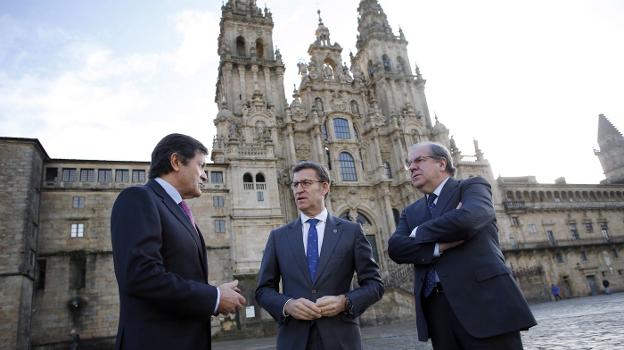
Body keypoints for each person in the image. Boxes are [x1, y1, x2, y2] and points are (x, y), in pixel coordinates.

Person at [388, 142, 536, 350]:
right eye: (409, 163)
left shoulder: (472, 186)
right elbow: (395, 248)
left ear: (442, 163)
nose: (411, 167)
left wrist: (418, 232)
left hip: (485, 303)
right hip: (437, 312)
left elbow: (469, 219)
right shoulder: (410, 211)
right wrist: (439, 246)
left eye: (419, 160)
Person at [111, 134, 246, 350]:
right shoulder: (138, 198)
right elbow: (141, 277)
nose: (205, 176)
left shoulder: (179, 211)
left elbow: (179, 275)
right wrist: (214, 297)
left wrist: (213, 293)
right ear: (175, 162)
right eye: (201, 166)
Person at [256, 161, 384, 350]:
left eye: (306, 183)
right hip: (294, 341)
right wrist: (287, 305)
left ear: (324, 187)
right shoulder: (278, 237)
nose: (299, 189)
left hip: (341, 340)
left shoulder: (351, 232)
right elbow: (263, 290)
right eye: (295, 184)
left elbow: (375, 285)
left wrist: (345, 302)